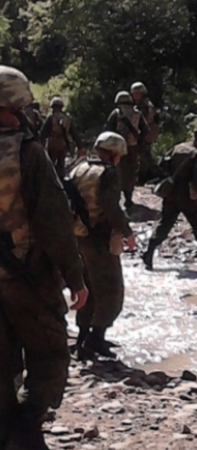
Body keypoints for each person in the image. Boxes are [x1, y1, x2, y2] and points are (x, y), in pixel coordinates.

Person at [0, 65, 88, 450]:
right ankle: (26, 426)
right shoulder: (28, 152)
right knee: (51, 358)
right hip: (27, 278)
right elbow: (54, 223)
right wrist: (76, 278)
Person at [68, 131, 134, 359]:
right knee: (111, 290)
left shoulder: (79, 168)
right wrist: (127, 232)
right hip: (99, 238)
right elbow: (110, 206)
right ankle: (95, 339)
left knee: (88, 288)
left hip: (78, 237)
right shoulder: (108, 173)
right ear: (115, 153)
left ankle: (83, 337)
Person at [142, 129, 197, 270]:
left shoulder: (177, 148)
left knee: (164, 224)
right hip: (188, 197)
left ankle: (149, 252)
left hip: (171, 195)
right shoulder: (196, 155)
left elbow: (162, 165)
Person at [105, 90, 149, 209]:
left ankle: (120, 198)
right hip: (133, 147)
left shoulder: (116, 114)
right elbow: (145, 130)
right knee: (131, 173)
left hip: (119, 148)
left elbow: (108, 130)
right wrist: (139, 142)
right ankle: (129, 198)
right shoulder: (137, 113)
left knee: (119, 172)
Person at [40, 96, 84, 178]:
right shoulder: (67, 118)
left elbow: (43, 133)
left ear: (52, 107)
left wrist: (40, 145)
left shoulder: (50, 118)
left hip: (52, 144)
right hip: (63, 145)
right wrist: (80, 147)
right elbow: (74, 134)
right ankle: (61, 181)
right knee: (61, 164)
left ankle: (52, 181)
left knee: (50, 165)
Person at [130, 82, 163, 182]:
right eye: (134, 94)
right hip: (147, 131)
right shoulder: (143, 104)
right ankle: (144, 176)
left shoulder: (144, 105)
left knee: (145, 156)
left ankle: (159, 174)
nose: (135, 96)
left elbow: (143, 120)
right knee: (144, 155)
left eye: (137, 93)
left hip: (147, 131)